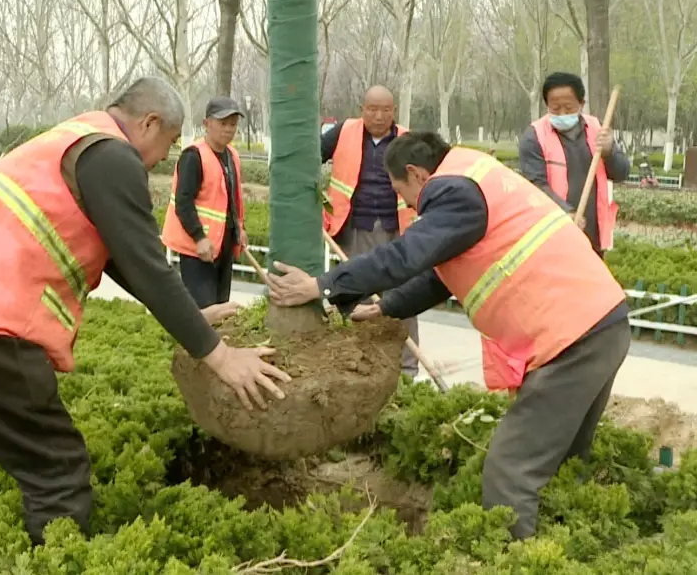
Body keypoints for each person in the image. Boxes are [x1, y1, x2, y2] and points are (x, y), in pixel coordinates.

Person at [0, 77, 290, 547]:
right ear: (149, 122)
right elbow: (146, 264)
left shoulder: (73, 137)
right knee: (58, 475)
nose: (163, 159)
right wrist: (221, 357)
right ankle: (55, 559)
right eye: (167, 144)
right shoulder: (113, 156)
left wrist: (193, 318)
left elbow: (125, 261)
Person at [266, 131, 631, 541]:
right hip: (601, 323)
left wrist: (321, 286)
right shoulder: (474, 176)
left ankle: (519, 559)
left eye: (402, 193)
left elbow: (404, 256)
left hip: (572, 340)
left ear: (416, 174)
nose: (407, 205)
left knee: (510, 472)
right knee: (565, 461)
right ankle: (568, 547)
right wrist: (387, 306)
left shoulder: (454, 193)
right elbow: (440, 276)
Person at [320, 85, 420, 377]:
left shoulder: (407, 140)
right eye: (373, 109)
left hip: (398, 230)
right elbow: (307, 159)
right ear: (361, 109)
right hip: (355, 229)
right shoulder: (343, 132)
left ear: (394, 111)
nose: (379, 116)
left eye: (385, 110)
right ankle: (358, 365)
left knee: (404, 296)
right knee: (357, 294)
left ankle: (407, 368)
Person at [518, 72, 631, 258]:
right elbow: (535, 185)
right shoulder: (534, 137)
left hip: (593, 238)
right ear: (547, 105)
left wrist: (609, 152)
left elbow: (622, 173)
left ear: (581, 104)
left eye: (568, 108)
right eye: (555, 108)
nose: (562, 114)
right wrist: (565, 213)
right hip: (552, 235)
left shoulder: (597, 129)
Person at [162, 96, 247, 309]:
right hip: (198, 250)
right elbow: (183, 203)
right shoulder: (193, 156)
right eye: (223, 123)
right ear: (206, 123)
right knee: (204, 311)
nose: (228, 129)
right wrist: (199, 237)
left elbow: (231, 200)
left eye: (233, 124)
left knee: (221, 309)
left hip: (223, 247)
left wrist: (239, 228)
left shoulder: (232, 156)